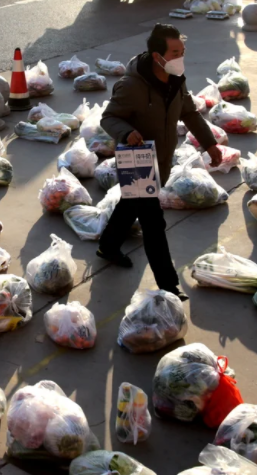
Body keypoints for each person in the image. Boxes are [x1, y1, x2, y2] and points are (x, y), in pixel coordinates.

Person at [98, 23, 222, 301]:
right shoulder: (131, 86)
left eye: (182, 51)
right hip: (138, 160)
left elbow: (189, 113)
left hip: (163, 159)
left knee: (131, 204)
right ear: (157, 56)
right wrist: (126, 132)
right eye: (175, 52)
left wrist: (210, 144)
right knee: (153, 223)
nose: (181, 57)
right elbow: (109, 117)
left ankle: (107, 246)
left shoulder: (176, 79)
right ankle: (169, 285)